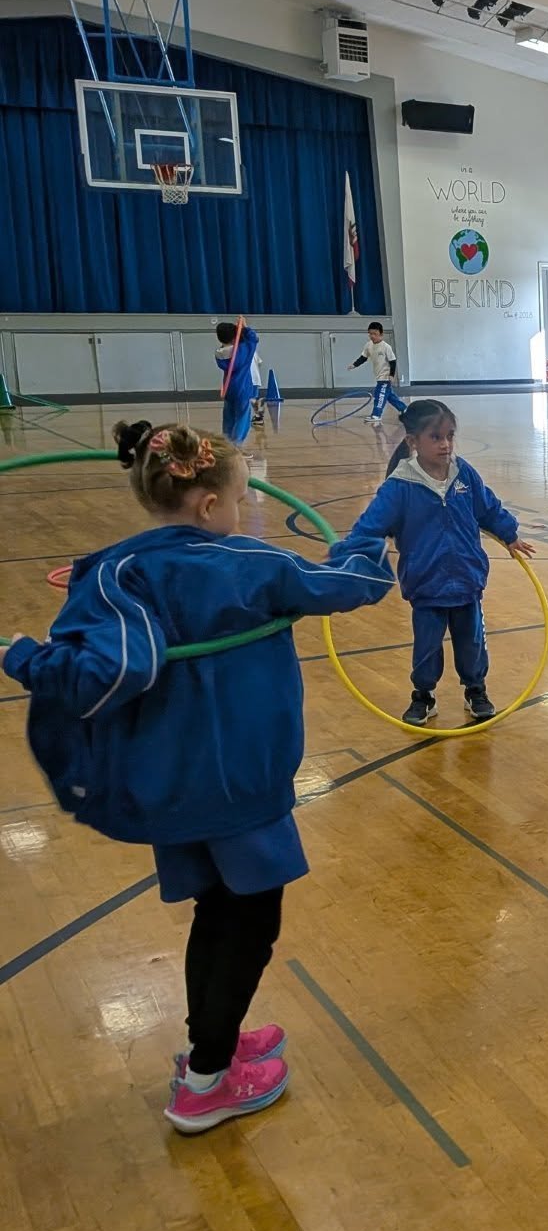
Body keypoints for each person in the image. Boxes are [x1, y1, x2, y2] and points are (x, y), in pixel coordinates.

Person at [2, 421, 395, 1133]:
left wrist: (35, 652)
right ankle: (209, 1081)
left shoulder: (113, 570)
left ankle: (208, 1045)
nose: (244, 511)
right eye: (241, 498)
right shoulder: (249, 562)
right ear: (210, 507)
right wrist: (366, 538)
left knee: (213, 915)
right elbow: (358, 581)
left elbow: (100, 657)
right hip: (238, 786)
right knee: (248, 925)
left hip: (173, 784)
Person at [348, 399, 534, 726]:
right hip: (425, 583)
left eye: (450, 435)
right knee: (426, 648)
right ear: (413, 442)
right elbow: (370, 526)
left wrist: (509, 534)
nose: (445, 444)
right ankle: (423, 694)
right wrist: (348, 553)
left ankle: (476, 689)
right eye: (435, 437)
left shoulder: (464, 474)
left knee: (472, 643)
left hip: (466, 580)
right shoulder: (400, 486)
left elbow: (488, 508)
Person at [214, 319, 260, 445]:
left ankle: (226, 444)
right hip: (242, 389)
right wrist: (245, 328)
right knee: (242, 418)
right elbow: (253, 339)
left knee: (228, 417)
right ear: (235, 338)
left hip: (229, 389)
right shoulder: (243, 351)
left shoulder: (219, 354)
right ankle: (236, 446)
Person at [351, 321, 407, 425]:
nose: (372, 336)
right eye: (370, 334)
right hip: (378, 375)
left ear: (381, 334)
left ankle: (376, 415)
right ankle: (403, 408)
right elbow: (363, 357)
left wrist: (391, 375)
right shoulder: (368, 345)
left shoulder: (386, 347)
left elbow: (393, 361)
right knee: (389, 395)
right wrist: (354, 365)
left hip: (385, 376)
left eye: (375, 334)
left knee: (379, 395)